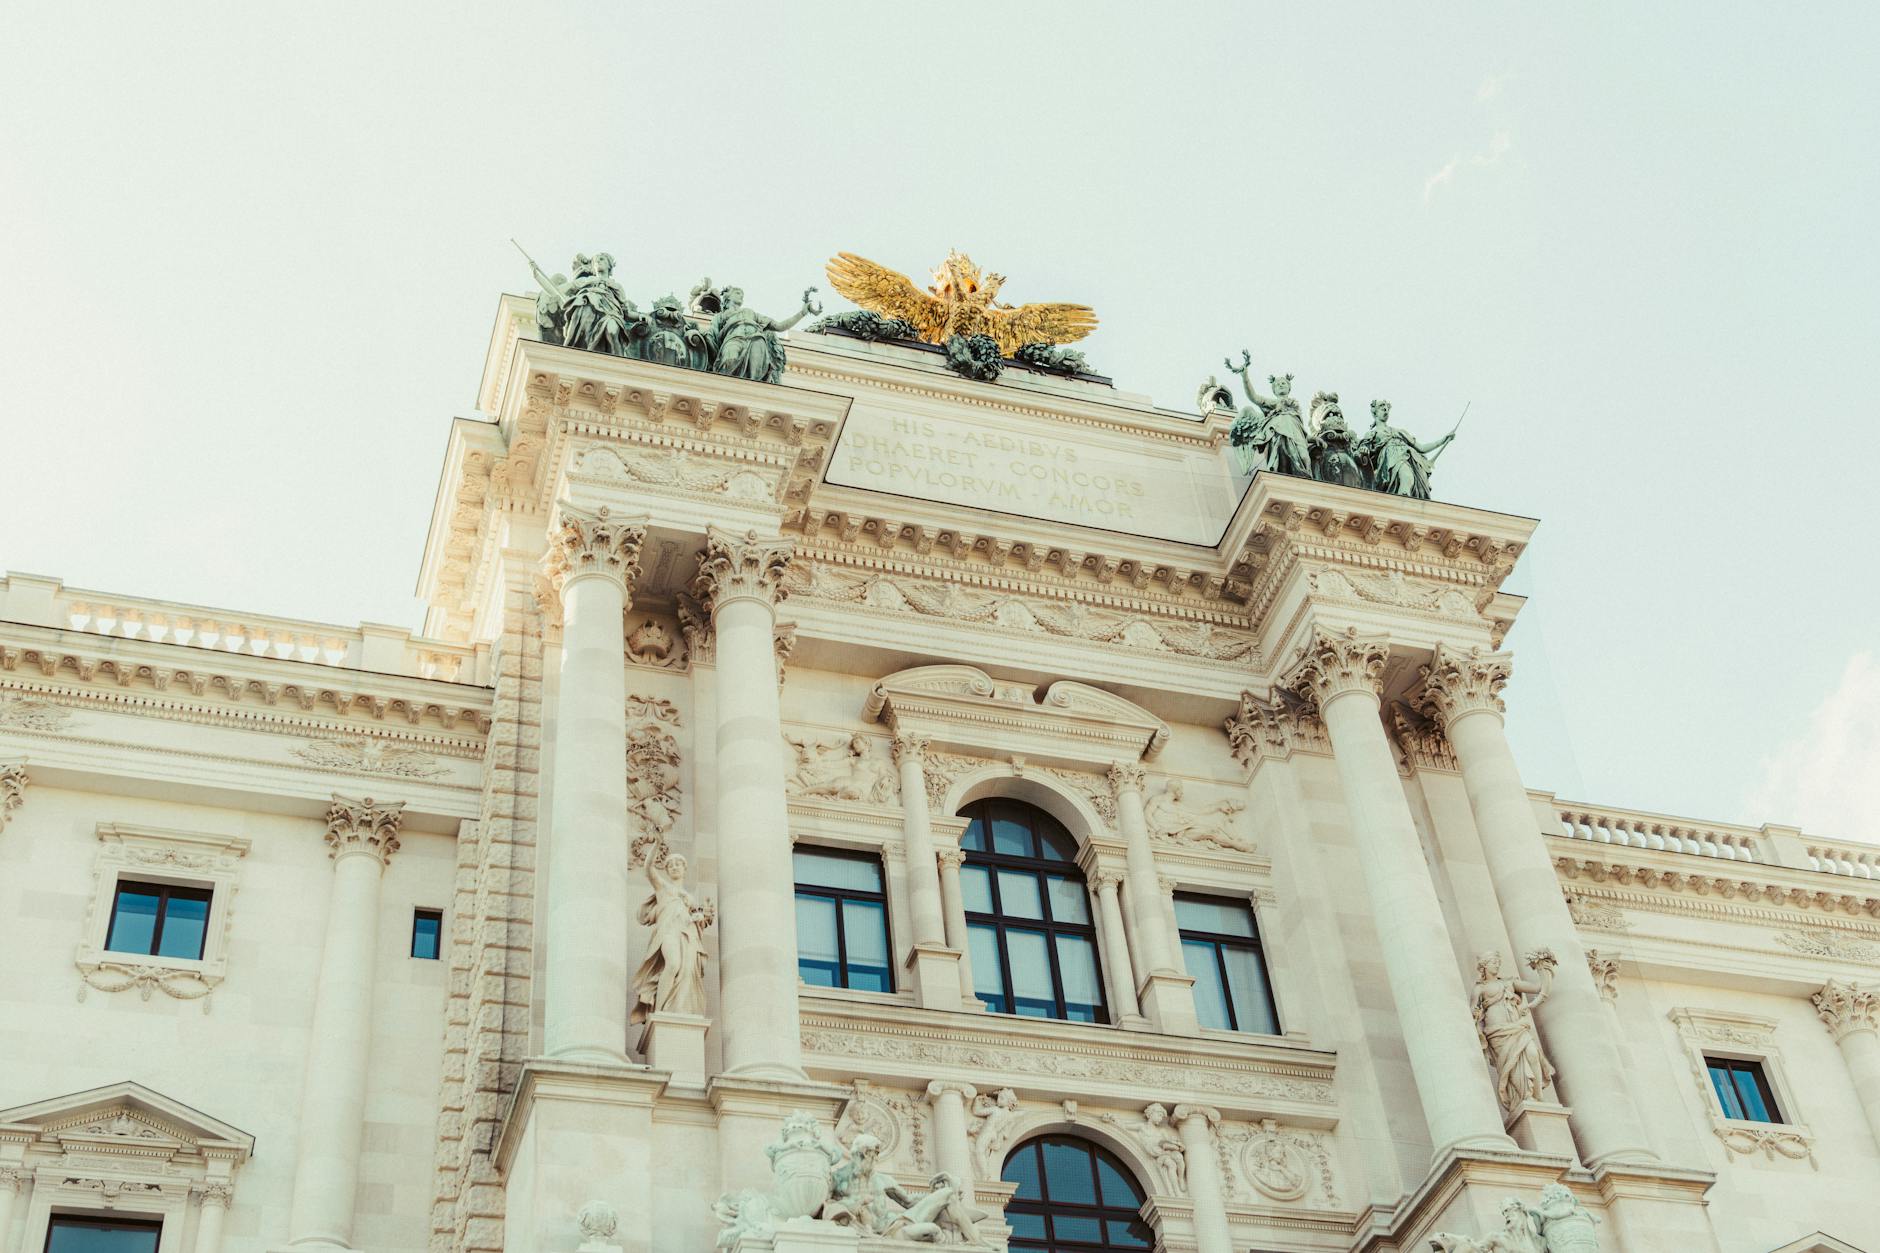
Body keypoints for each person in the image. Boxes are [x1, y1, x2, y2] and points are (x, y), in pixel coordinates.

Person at [631, 854, 711, 1022]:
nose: (674, 867)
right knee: (673, 963)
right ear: (666, 870)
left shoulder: (690, 898)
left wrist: (699, 919)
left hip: (688, 935)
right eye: (671, 865)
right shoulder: (663, 888)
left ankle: (678, 1007)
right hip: (668, 932)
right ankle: (659, 1012)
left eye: (678, 864)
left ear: (684, 869)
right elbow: (648, 869)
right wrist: (656, 843)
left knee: (687, 970)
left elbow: (697, 921)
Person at [709, 286, 819, 384]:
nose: (741, 296)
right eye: (738, 293)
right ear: (728, 296)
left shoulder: (750, 312)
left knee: (756, 373)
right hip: (734, 338)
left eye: (742, 295)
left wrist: (802, 313)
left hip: (756, 339)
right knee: (729, 360)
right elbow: (712, 335)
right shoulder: (720, 316)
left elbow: (779, 326)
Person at [1355, 399, 1455, 499]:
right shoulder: (1372, 434)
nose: (1385, 409)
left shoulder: (1399, 432)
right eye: (1381, 407)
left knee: (1409, 479)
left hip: (1407, 458)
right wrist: (1363, 451)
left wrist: (1443, 440)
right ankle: (1402, 506)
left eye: (1386, 408)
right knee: (1406, 477)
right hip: (1389, 461)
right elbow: (1359, 454)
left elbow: (1422, 448)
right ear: (1374, 412)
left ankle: (1404, 506)